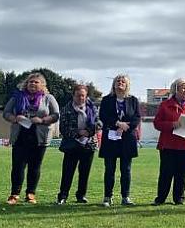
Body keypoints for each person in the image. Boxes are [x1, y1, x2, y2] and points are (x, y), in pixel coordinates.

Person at [3, 72, 60, 205]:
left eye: (36, 82)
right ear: (26, 84)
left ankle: (31, 193)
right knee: (18, 166)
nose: (33, 84)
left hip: (39, 136)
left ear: (42, 85)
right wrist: (15, 118)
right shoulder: (17, 97)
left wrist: (42, 120)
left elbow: (56, 115)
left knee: (35, 166)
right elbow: (6, 113)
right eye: (30, 82)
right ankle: (14, 194)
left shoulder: (48, 98)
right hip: (20, 135)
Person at [98, 74, 141, 207]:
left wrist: (126, 127)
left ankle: (125, 197)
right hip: (111, 138)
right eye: (118, 81)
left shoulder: (133, 100)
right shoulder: (106, 100)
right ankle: (107, 197)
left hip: (127, 139)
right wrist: (117, 123)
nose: (120, 83)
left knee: (126, 170)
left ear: (127, 85)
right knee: (109, 169)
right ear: (114, 84)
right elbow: (103, 116)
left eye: (123, 81)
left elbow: (137, 117)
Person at [57, 85, 98, 205]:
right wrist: (78, 132)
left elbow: (99, 123)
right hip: (71, 145)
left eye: (83, 95)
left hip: (88, 145)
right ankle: (63, 196)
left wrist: (89, 132)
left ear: (86, 96)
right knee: (67, 172)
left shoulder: (92, 108)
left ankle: (81, 195)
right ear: (73, 95)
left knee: (84, 173)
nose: (80, 98)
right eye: (78, 95)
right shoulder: (66, 109)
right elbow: (63, 128)